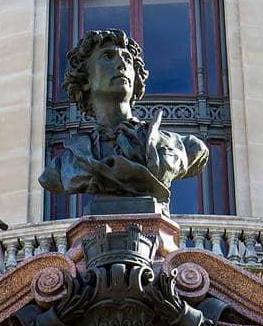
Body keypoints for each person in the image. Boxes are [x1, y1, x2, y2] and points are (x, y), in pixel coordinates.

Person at [39, 28, 208, 211]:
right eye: (107, 57)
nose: (121, 64)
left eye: (128, 59)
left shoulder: (182, 146)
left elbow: (197, 151)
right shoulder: (65, 165)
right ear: (86, 79)